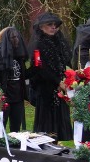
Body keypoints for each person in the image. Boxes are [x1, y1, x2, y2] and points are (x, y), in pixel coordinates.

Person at [28, 12, 72, 141]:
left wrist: (67, 78)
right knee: (46, 120)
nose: (53, 27)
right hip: (45, 86)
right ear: (41, 27)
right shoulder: (38, 44)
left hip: (60, 87)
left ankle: (56, 142)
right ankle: (46, 143)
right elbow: (40, 68)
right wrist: (57, 82)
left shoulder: (60, 43)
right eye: (49, 24)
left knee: (59, 117)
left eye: (55, 25)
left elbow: (65, 62)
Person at [0, 26, 28, 132]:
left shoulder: (19, 57)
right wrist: (0, 97)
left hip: (18, 98)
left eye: (17, 37)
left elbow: (24, 75)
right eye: (13, 37)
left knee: (16, 130)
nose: (16, 40)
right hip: (4, 99)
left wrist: (36, 67)